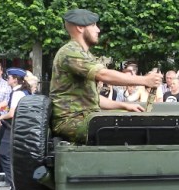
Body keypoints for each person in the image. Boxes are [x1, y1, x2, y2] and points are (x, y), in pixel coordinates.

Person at [49, 9, 162, 143]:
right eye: (93, 25)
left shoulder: (84, 54)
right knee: (133, 127)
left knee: (135, 120)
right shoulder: (70, 52)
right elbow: (103, 74)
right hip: (71, 122)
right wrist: (144, 80)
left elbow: (94, 99)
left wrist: (124, 105)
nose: (98, 30)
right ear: (80, 28)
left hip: (86, 118)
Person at [0, 68, 30, 190]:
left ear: (15, 79)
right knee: (13, 156)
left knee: (5, 155)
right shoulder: (23, 92)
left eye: (9, 77)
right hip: (18, 127)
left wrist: (1, 117)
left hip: (13, 127)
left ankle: (14, 187)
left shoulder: (17, 93)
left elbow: (12, 113)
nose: (7, 79)